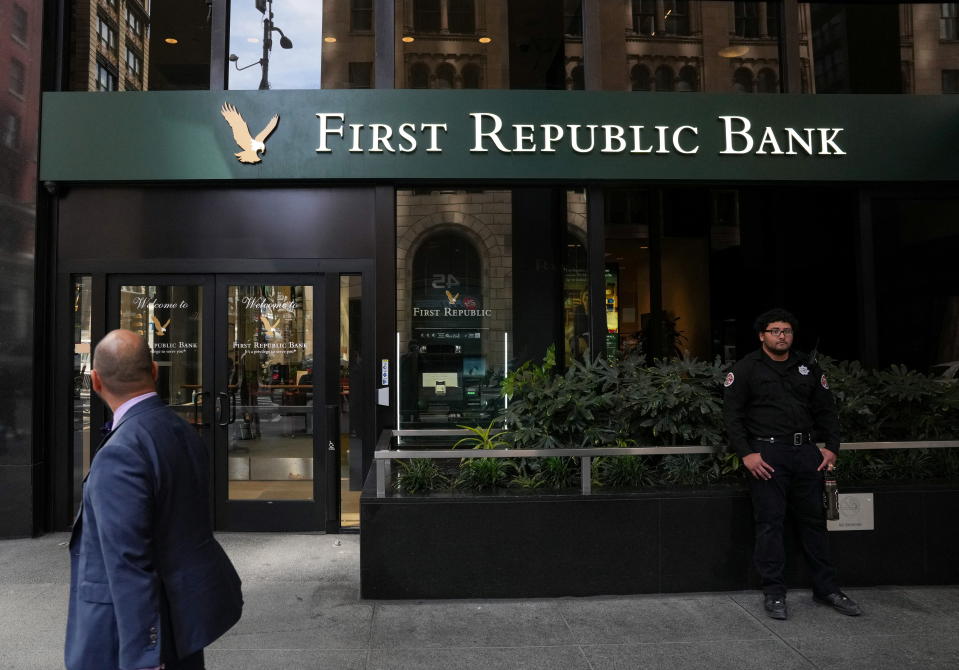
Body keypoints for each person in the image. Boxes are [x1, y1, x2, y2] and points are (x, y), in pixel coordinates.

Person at [66, 330, 243, 670]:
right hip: (182, 620)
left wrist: (143, 656)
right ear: (156, 372)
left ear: (96, 381)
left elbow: (128, 562)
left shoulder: (121, 452)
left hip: (129, 637)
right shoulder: (182, 431)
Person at [723, 308, 862, 621]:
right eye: (774, 331)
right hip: (767, 455)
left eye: (786, 331)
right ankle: (774, 592)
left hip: (806, 455)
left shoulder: (807, 367)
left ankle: (827, 588)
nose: (781, 336)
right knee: (770, 523)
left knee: (814, 522)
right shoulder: (745, 369)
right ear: (762, 336)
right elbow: (732, 417)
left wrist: (832, 449)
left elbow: (827, 410)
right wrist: (747, 453)